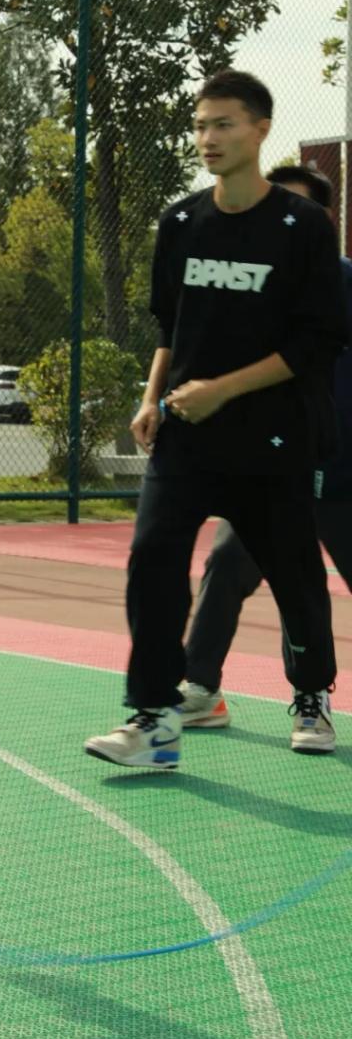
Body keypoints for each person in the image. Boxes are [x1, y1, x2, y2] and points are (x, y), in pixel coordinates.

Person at [85, 70, 346, 769]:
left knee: (295, 574)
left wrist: (223, 391)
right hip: (186, 436)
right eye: (200, 125)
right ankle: (155, 719)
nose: (208, 138)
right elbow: (170, 326)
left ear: (260, 130)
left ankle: (311, 693)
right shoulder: (180, 222)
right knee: (152, 562)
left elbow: (316, 343)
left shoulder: (303, 228)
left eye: (223, 124)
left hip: (273, 438)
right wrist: (151, 398)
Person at [179, 162, 352, 736]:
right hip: (272, 470)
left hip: (345, 476)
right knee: (229, 563)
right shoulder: (248, 290)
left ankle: (311, 694)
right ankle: (201, 688)